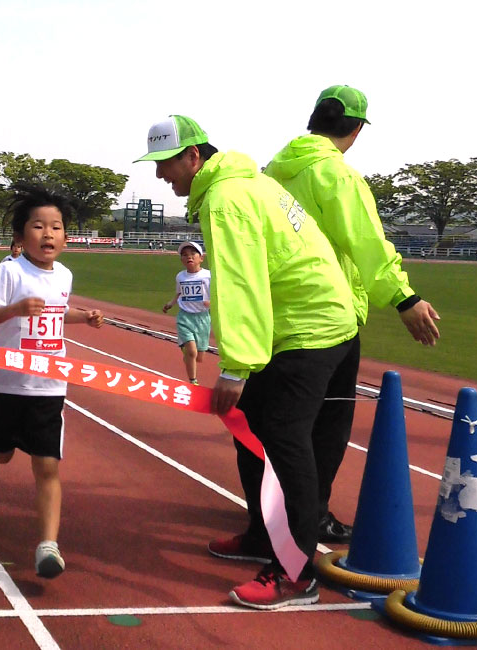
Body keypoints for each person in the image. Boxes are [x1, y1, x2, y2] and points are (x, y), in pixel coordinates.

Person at [137, 115, 357, 609]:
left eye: (166, 163)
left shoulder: (226, 199)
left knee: (284, 437)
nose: (159, 175)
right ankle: (262, 534)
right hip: (297, 323)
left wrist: (236, 368)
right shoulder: (246, 182)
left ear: (194, 156)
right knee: (249, 424)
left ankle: (295, 572)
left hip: (309, 326)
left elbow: (241, 284)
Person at [263, 85, 441, 543]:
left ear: (313, 120)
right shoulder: (336, 175)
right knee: (326, 426)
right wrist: (404, 298)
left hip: (275, 315)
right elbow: (366, 243)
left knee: (280, 423)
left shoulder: (272, 172)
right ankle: (307, 520)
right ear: (357, 129)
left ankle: (270, 516)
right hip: (329, 315)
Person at [0, 184, 104, 580]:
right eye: (38, 226)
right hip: (8, 383)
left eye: (56, 227)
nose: (48, 234)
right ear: (20, 235)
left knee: (48, 465)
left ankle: (48, 545)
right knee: (4, 452)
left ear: (65, 237)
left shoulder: (64, 274)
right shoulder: (10, 271)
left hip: (50, 385)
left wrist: (84, 317)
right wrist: (14, 309)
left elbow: (57, 313)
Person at [162, 241, 211, 385]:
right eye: (184, 255)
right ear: (181, 260)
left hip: (203, 318)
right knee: (192, 352)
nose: (189, 257)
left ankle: (188, 353)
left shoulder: (208, 275)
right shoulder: (180, 277)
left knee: (199, 357)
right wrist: (171, 304)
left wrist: (211, 302)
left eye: (193, 254)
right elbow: (179, 293)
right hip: (185, 317)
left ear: (201, 258)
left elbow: (219, 293)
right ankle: (193, 381)